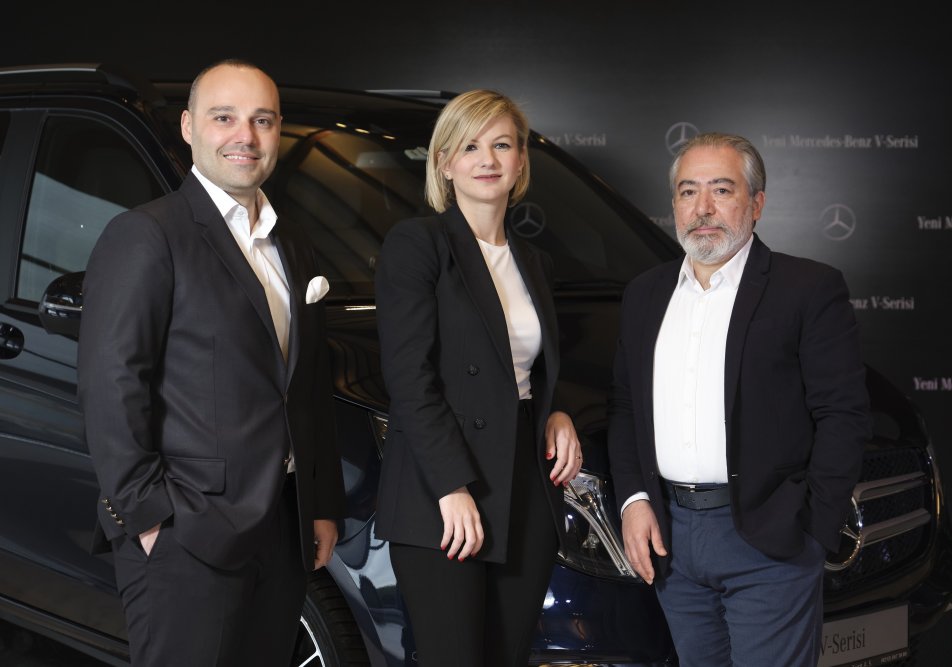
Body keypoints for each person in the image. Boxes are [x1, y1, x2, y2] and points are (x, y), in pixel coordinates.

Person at [77, 59, 346, 667]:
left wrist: (321, 503)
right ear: (188, 127)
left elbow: (305, 388)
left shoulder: (293, 243)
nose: (244, 136)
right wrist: (150, 518)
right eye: (224, 118)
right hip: (186, 531)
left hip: (283, 528)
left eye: (262, 120)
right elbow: (111, 385)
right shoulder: (147, 234)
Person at [607, 132, 870, 666]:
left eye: (721, 190)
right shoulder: (644, 294)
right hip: (671, 541)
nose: (702, 208)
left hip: (770, 539)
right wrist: (634, 500)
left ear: (757, 203)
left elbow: (842, 414)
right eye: (688, 192)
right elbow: (627, 407)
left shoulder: (807, 289)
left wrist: (813, 531)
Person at [374, 89, 582, 666]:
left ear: (521, 161)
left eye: (502, 145)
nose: (487, 159)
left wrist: (556, 409)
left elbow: (524, 365)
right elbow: (409, 377)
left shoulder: (533, 261)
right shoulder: (418, 244)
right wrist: (451, 485)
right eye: (469, 146)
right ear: (444, 163)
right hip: (442, 488)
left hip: (523, 486)